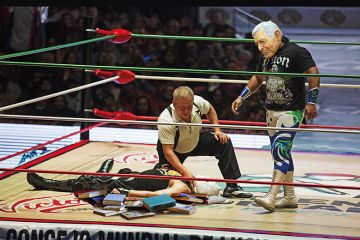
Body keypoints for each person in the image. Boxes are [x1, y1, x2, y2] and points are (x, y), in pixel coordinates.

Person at [231, 21, 320, 212]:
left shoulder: (296, 51)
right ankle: (289, 197)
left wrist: (311, 102)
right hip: (271, 110)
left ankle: (271, 196)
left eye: (263, 42)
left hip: (291, 110)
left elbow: (313, 72)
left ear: (277, 35)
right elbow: (258, 78)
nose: (260, 47)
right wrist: (241, 96)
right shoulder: (266, 56)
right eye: (257, 44)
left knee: (279, 151)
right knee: (282, 153)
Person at [155, 86, 252, 198]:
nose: (186, 111)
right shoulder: (166, 119)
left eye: (189, 107)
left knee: (224, 142)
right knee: (162, 184)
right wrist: (185, 172)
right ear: (174, 103)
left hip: (194, 140)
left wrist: (217, 130)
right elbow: (168, 152)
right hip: (173, 150)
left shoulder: (197, 101)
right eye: (182, 108)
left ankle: (232, 186)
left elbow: (210, 109)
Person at [27, 159, 220, 198]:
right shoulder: (184, 177)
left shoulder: (183, 187)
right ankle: (102, 175)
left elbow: (157, 195)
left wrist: (129, 193)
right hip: (133, 175)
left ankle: (47, 184)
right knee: (122, 171)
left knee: (85, 185)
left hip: (130, 184)